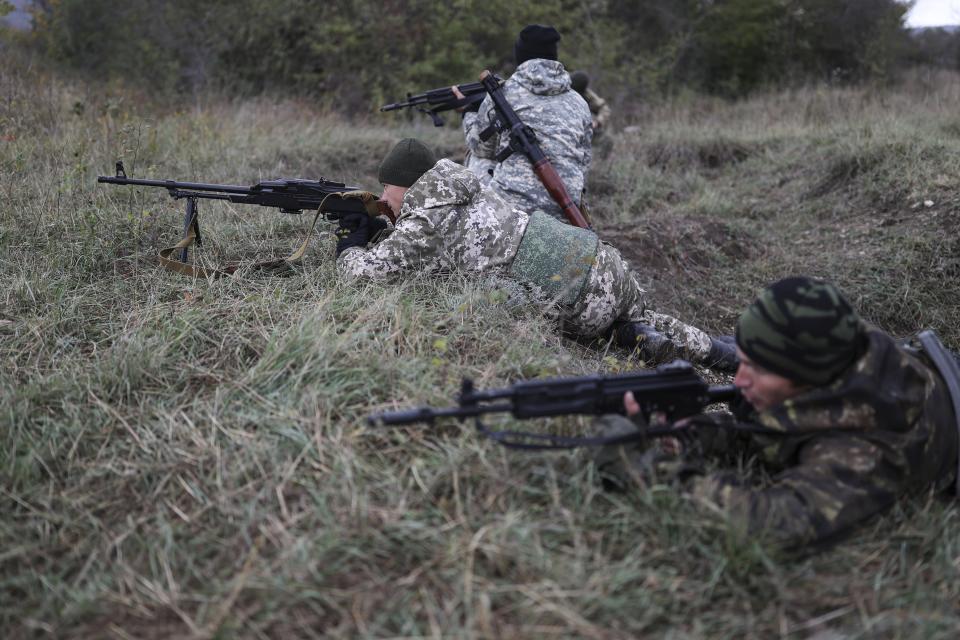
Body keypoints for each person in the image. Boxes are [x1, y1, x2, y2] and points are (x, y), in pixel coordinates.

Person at [595, 276, 959, 549]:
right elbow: (780, 427)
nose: (738, 379)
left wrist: (646, 470)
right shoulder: (839, 345)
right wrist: (694, 433)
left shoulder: (865, 448)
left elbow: (769, 524)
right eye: (743, 360)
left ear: (804, 379)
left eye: (758, 369)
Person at [333, 138, 737, 371]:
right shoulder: (468, 188)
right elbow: (450, 241)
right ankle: (722, 354)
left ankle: (621, 333)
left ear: (408, 185)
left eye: (387, 189)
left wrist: (350, 247)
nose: (383, 196)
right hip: (599, 256)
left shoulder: (426, 223)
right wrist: (388, 228)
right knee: (639, 314)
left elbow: (367, 275)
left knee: (591, 320)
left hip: (578, 299)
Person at [459, 24, 592, 223]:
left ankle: (474, 224)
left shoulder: (502, 94)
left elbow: (481, 148)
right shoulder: (579, 103)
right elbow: (585, 160)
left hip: (512, 211)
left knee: (478, 160)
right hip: (565, 209)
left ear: (520, 56)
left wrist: (468, 113)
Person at [570, 70, 613, 159]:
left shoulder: (586, 94)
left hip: (583, 128)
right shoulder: (563, 91)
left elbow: (604, 108)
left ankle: (600, 164)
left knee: (607, 140)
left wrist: (598, 121)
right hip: (566, 129)